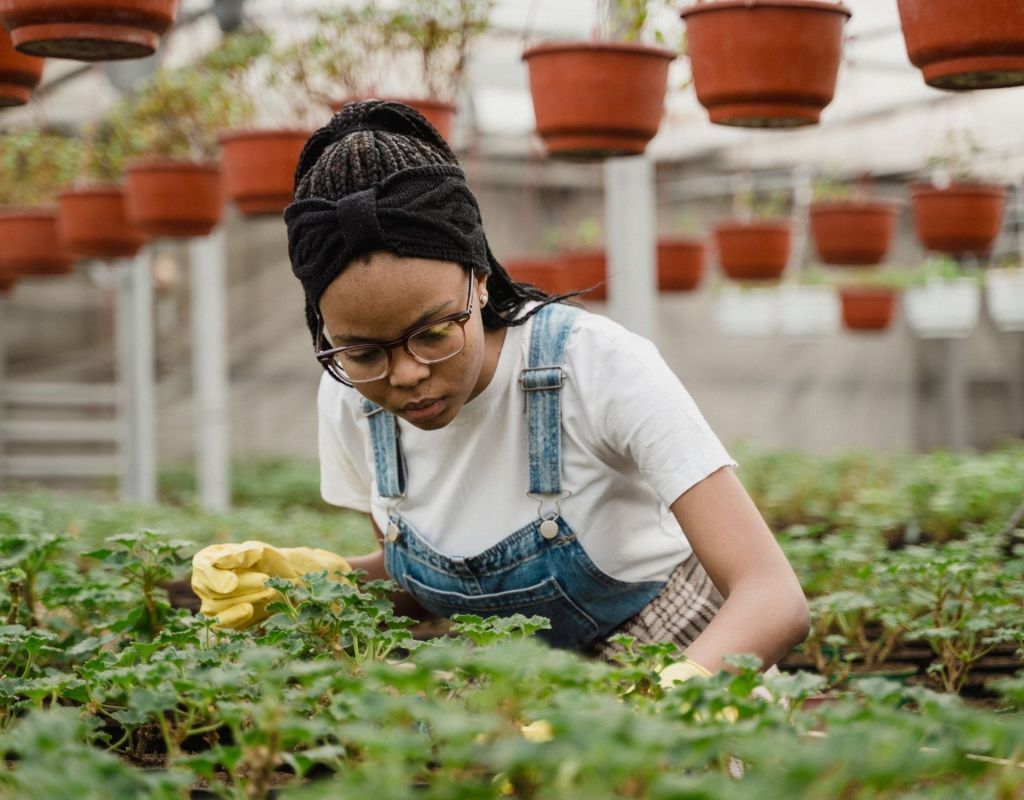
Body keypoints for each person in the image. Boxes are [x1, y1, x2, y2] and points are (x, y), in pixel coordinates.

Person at [191, 99, 809, 676]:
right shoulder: (352, 402)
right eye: (362, 350)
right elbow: (424, 587)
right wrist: (314, 583)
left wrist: (664, 702)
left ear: (479, 280)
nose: (404, 374)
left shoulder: (593, 367)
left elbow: (773, 597)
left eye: (432, 333)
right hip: (516, 687)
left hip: (680, 656)